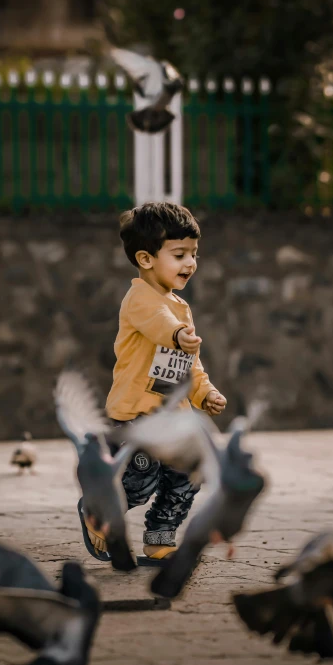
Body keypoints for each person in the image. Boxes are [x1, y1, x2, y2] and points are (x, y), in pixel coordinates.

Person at [86, 201, 227, 561]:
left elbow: (187, 364)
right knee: (137, 483)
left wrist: (204, 391)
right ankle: (99, 509)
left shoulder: (179, 306)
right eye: (180, 254)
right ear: (146, 259)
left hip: (174, 419)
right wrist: (179, 334)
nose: (191, 263)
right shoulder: (140, 299)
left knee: (185, 479)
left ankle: (160, 535)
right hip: (138, 417)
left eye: (194, 254)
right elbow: (159, 324)